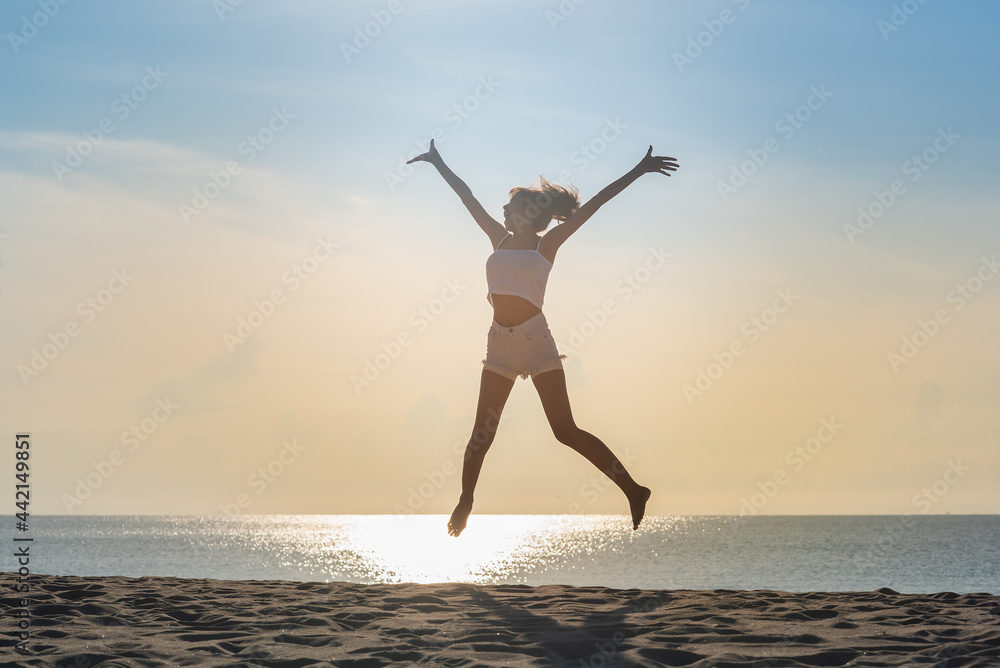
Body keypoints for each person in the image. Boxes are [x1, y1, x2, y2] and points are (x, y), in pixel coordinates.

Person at [406, 139, 679, 536]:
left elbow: (596, 204)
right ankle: (466, 501)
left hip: (536, 342)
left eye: (511, 206)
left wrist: (639, 170)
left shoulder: (546, 246)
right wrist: (438, 161)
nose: (503, 209)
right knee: (481, 434)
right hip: (498, 343)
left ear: (528, 216)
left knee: (564, 430)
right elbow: (467, 198)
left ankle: (633, 490)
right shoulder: (497, 238)